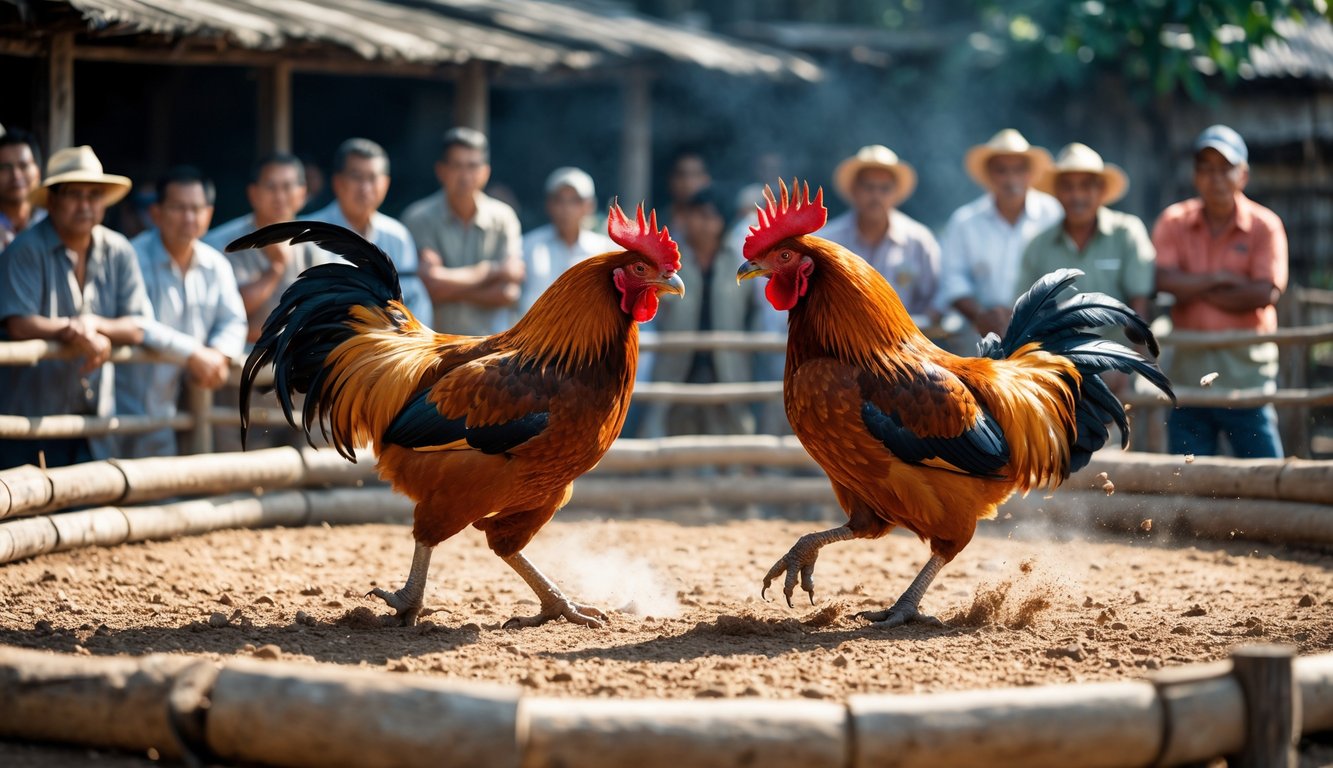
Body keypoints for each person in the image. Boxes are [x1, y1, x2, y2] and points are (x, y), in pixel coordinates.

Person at [0, 146, 152, 469]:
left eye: (94, 195)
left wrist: (90, 323)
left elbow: (138, 326)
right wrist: (73, 328)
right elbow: (18, 323)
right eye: (74, 195)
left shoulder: (119, 250)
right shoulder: (25, 250)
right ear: (52, 201)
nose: (85, 205)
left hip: (93, 420)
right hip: (28, 418)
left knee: (87, 510)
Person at [1153, 125, 1289, 458]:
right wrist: (1219, 278)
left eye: (1224, 168)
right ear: (1196, 176)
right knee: (1188, 481)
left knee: (1263, 475)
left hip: (1246, 377)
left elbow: (1263, 294)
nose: (1215, 178)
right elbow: (1163, 280)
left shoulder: (1264, 225)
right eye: (1206, 169)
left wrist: (1193, 287)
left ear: (1243, 175)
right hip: (1189, 376)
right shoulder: (1174, 221)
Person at [117, 167, 247, 459]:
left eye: (196, 208)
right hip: (134, 404)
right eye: (178, 208)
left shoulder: (216, 265)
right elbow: (139, 323)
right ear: (156, 212)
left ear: (208, 214)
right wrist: (194, 353)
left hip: (196, 402)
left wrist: (217, 352)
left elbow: (233, 321)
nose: (189, 217)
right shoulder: (130, 258)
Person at [1019, 143, 1156, 396]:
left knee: (1123, 431)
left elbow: (1140, 306)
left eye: (1086, 186)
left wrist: (1125, 364)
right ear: (1057, 192)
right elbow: (1027, 315)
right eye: (1068, 187)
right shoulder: (1039, 245)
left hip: (1117, 360)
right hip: (1056, 369)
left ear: (1101, 191)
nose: (1077, 195)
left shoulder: (1126, 233)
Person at [640, 187, 757, 440]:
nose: (701, 223)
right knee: (671, 437)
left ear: (722, 221)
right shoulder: (667, 262)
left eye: (709, 216)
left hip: (726, 366)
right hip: (677, 365)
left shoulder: (739, 261)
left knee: (732, 441)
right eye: (695, 214)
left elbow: (754, 311)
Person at [937, 129, 1062, 339]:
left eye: (1018, 170)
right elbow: (953, 279)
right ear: (989, 175)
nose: (1010, 178)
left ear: (1029, 174)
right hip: (982, 335)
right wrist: (982, 316)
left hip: (1044, 329)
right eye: (1001, 170)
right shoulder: (965, 221)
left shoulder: (1052, 214)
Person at [204, 153, 335, 344]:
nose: (280, 196)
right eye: (271, 187)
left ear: (302, 193)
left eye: (287, 187)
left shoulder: (317, 241)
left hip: (298, 354)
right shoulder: (222, 244)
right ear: (253, 193)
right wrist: (276, 268)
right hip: (239, 356)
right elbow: (226, 313)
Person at [403, 127, 523, 335]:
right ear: (441, 170)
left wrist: (448, 285)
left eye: (472, 166)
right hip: (434, 347)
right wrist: (491, 271)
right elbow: (430, 286)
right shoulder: (418, 218)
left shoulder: (504, 218)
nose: (465, 175)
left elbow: (509, 292)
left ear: (485, 172)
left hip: (490, 349)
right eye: (457, 165)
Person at [307, 139, 432, 324]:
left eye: (373, 178)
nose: (365, 187)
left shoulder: (397, 235)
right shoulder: (309, 232)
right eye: (356, 177)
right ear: (338, 182)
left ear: (386, 184)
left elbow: (414, 299)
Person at [819, 144, 940, 324]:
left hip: (904, 348)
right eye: (868, 187)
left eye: (884, 188)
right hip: (838, 350)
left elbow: (938, 297)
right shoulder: (827, 240)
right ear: (854, 190)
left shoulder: (918, 240)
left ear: (895, 193)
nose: (876, 196)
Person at [519, 167, 614, 314]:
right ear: (549, 205)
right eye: (559, 200)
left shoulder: (605, 250)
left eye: (574, 201)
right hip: (537, 335)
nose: (566, 208)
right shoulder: (527, 246)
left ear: (589, 206)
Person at [0, 129, 44, 249]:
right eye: (5, 167)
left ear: (38, 173)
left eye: (23, 165)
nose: (16, 175)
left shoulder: (54, 224)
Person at [664, 148, 712, 229]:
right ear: (671, 179)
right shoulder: (658, 221)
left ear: (706, 179)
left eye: (695, 175)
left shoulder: (717, 222)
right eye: (681, 175)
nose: (687, 182)